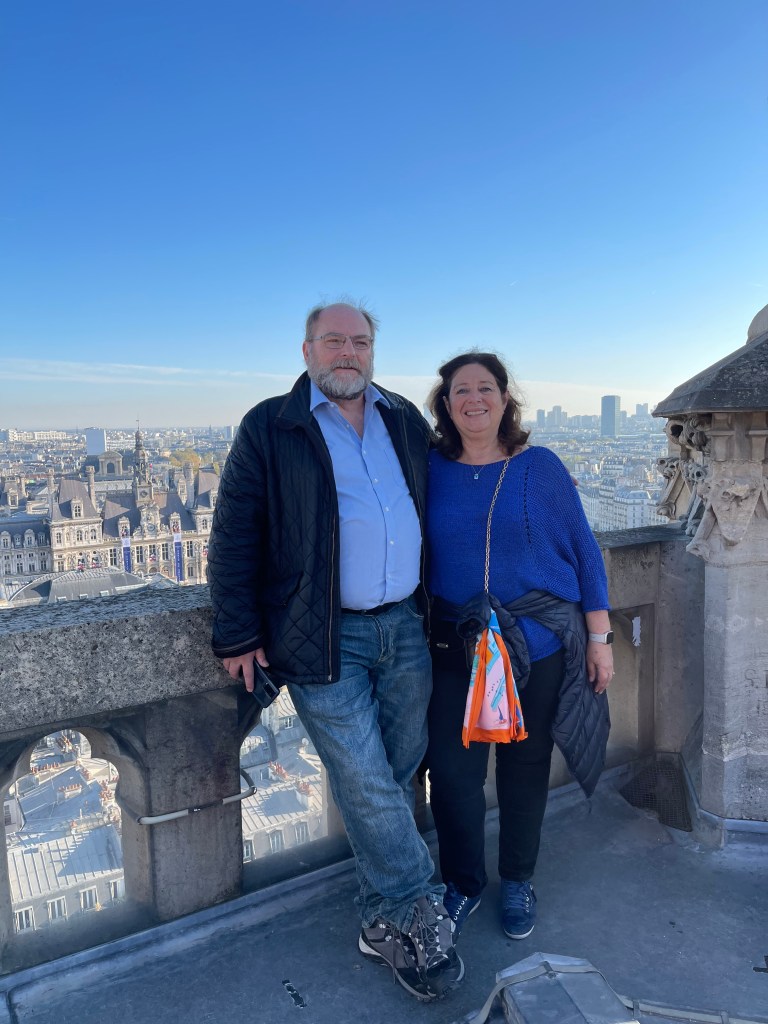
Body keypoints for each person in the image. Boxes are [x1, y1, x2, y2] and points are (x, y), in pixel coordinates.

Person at [207, 302, 462, 1002]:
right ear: (307, 350)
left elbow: (441, 494)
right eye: (333, 341)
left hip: (405, 624)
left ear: (373, 349)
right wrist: (238, 631)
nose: (347, 352)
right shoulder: (271, 425)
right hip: (321, 633)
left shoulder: (402, 417)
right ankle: (417, 906)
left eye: (360, 341)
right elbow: (235, 532)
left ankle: (378, 921)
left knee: (396, 769)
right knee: (366, 777)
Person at [424, 351, 613, 943]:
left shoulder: (540, 468)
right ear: (445, 404)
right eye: (461, 390)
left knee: (524, 770)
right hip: (456, 646)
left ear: (505, 399)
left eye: (485, 388)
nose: (473, 399)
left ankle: (518, 880)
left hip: (535, 644)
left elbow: (584, 552)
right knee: (452, 774)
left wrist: (600, 639)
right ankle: (462, 882)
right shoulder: (428, 468)